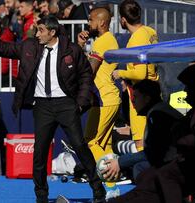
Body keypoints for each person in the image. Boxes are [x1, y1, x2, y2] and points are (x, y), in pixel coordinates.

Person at [0, 15, 106, 203]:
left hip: (66, 104)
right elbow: (4, 48)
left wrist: (79, 103)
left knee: (80, 146)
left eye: (41, 30)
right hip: (42, 106)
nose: (36, 34)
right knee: (39, 153)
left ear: (52, 32)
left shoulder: (71, 49)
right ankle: (41, 196)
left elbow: (86, 76)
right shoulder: (30, 46)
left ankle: (98, 190)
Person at [108, 62, 195, 203]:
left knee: (162, 175)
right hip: (190, 161)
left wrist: (121, 162)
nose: (185, 92)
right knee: (147, 176)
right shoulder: (190, 110)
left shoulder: (161, 114)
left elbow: (157, 152)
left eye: (189, 87)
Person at [77, 7, 121, 199]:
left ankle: (110, 187)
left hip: (106, 99)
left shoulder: (105, 41)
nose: (88, 24)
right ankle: (113, 188)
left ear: (102, 22)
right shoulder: (101, 41)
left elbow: (88, 70)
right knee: (104, 144)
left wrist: (79, 51)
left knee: (93, 142)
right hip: (102, 99)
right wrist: (81, 46)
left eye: (91, 20)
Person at [102, 79, 183, 182]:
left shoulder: (158, 115)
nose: (132, 100)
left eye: (135, 97)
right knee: (139, 165)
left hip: (179, 162)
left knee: (140, 168)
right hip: (175, 160)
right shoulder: (158, 111)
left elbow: (152, 153)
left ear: (147, 99)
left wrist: (120, 162)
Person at [112, 0, 158, 152]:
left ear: (123, 19)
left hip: (141, 95)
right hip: (155, 91)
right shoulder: (150, 31)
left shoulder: (136, 40)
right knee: (153, 138)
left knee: (141, 143)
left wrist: (120, 73)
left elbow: (140, 74)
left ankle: (143, 174)